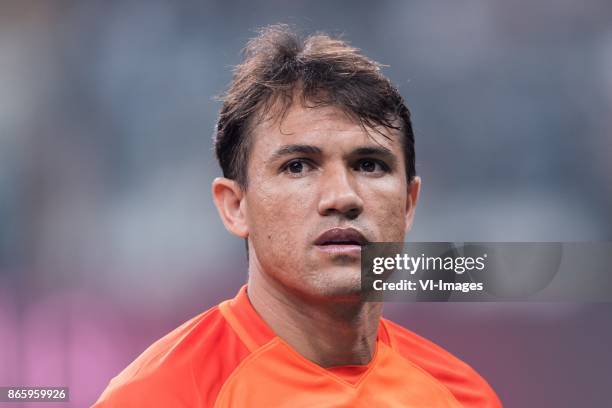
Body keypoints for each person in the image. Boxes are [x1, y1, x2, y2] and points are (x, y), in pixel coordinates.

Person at [93, 24, 502, 407]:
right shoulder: (159, 395)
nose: (342, 197)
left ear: (409, 203)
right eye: (298, 166)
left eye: (369, 165)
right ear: (235, 207)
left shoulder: (461, 395)